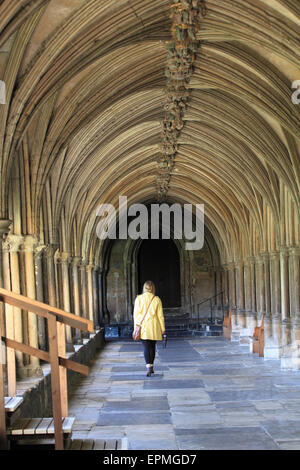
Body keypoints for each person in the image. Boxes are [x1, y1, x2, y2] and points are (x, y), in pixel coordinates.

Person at [133, 280, 166, 377]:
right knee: (152, 347)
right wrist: (162, 328)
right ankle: (151, 366)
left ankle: (148, 367)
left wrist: (136, 327)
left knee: (145, 347)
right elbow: (160, 316)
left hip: (143, 326)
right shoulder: (157, 299)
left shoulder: (139, 298)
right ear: (153, 288)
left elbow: (136, 314)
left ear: (144, 288)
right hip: (154, 326)